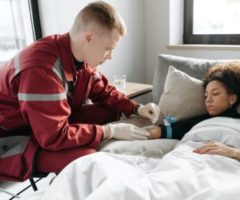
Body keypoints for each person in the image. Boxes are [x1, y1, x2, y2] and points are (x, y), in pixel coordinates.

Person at [0, 1, 159, 181]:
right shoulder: (41, 70)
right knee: (87, 158)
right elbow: (53, 136)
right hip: (14, 137)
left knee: (111, 111)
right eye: (108, 49)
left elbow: (104, 92)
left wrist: (136, 108)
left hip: (46, 124)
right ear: (89, 37)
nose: (110, 56)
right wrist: (108, 132)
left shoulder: (80, 58)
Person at [147, 61, 240, 180]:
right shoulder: (198, 122)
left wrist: (234, 152)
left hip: (228, 171)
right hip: (186, 163)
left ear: (232, 98)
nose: (208, 100)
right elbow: (162, 131)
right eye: (205, 96)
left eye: (215, 94)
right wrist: (132, 131)